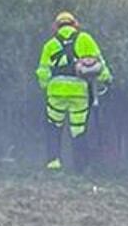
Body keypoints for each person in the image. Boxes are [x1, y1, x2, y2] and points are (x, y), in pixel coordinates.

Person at [36, 11, 112, 171]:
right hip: (79, 92)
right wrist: (106, 79)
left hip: (56, 93)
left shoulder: (50, 44)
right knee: (78, 128)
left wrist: (46, 87)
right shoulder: (85, 39)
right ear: (74, 24)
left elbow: (43, 72)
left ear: (56, 27)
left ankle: (54, 162)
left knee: (54, 126)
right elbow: (100, 63)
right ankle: (79, 165)